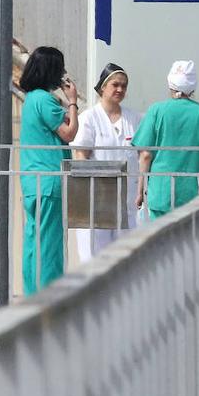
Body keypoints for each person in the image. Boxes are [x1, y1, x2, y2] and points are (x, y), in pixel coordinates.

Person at [18, 46, 79, 295]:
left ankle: (32, 293)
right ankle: (49, 297)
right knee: (50, 243)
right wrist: (72, 102)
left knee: (34, 240)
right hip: (50, 180)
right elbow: (69, 133)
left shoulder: (31, 99)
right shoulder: (44, 99)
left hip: (33, 180)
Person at [134, 60, 199, 220]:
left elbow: (145, 155)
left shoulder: (156, 111)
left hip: (161, 194)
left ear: (170, 84)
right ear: (193, 87)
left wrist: (139, 192)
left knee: (158, 243)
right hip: (195, 194)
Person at [71, 63, 142, 264]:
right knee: (94, 258)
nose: (120, 89)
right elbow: (80, 156)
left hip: (125, 200)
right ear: (103, 87)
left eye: (124, 86)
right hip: (96, 199)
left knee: (124, 258)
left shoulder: (133, 119)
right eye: (115, 85)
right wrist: (87, 193)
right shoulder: (89, 118)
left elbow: (141, 154)